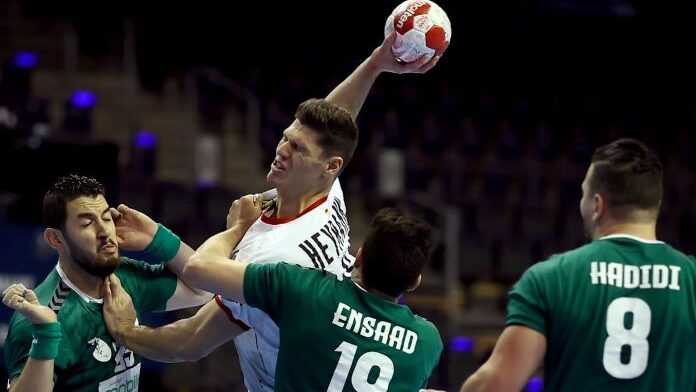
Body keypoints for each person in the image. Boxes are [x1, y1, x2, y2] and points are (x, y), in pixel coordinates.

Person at [98, 32, 444, 391]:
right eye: (285, 138)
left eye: (296, 149)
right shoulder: (327, 190)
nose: (282, 150)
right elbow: (332, 124)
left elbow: (191, 338)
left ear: (330, 166)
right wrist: (375, 65)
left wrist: (128, 332)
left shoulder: (275, 259)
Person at [433, 138, 696, 392]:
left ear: (597, 205)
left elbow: (497, 385)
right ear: (656, 206)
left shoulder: (551, 278)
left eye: (583, 193)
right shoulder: (691, 278)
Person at [104, 197, 443, 391]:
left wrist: (126, 332)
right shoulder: (428, 342)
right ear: (414, 281)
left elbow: (199, 270)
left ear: (358, 255)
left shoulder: (303, 289)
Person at [1, 174, 211, 392]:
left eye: (106, 218)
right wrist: (46, 335)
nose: (104, 231)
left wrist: (157, 238)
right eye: (87, 223)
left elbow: (204, 290)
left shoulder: (124, 277)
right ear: (55, 239)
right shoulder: (43, 317)